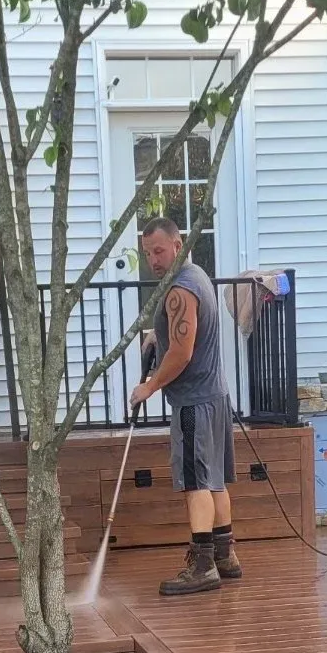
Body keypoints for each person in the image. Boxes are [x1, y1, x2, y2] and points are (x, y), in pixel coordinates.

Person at [128, 217, 242, 596]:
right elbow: (181, 334)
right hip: (215, 396)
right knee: (215, 481)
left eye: (159, 251)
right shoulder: (197, 276)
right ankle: (225, 555)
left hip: (193, 402)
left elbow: (182, 351)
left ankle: (203, 567)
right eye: (148, 254)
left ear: (178, 246)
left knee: (196, 484)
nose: (153, 260)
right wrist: (157, 335)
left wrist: (150, 386)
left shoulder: (180, 289)